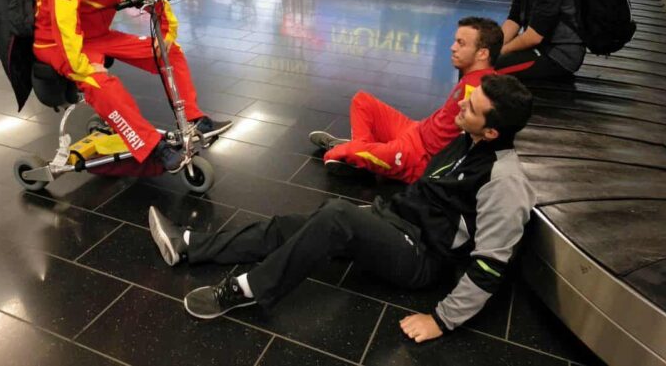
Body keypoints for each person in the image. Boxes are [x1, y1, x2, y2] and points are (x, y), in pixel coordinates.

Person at [148, 74, 535, 343]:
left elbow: (491, 265)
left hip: (421, 257)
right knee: (293, 225)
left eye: (472, 107)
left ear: (492, 132)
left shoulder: (504, 181)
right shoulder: (468, 139)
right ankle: (189, 244)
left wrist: (441, 320)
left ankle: (246, 290)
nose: (461, 104)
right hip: (397, 220)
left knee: (336, 216)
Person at [33, 0, 231, 172]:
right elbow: (63, 16)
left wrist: (166, 32)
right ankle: (150, 147)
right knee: (102, 83)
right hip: (57, 41)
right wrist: (81, 66)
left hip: (100, 34)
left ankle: (195, 118)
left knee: (169, 52)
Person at [309, 17, 502, 183]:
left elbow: (469, 148)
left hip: (418, 156)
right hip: (416, 130)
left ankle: (356, 152)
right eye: (455, 41)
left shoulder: (478, 93)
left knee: (333, 156)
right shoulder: (473, 77)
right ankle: (364, 154)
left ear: (482, 53)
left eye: (461, 43)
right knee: (362, 101)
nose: (452, 48)